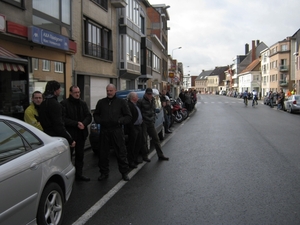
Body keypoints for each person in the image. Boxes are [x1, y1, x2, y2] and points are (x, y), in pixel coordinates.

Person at [94, 84, 132, 181]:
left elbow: (128, 116)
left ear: (115, 90)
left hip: (117, 130)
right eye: (107, 90)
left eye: (111, 90)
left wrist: (120, 121)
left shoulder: (121, 102)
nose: (109, 92)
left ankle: (124, 173)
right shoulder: (101, 103)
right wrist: (100, 121)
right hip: (104, 130)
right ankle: (104, 173)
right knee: (103, 153)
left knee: (121, 152)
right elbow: (96, 115)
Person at [61, 85, 92, 181]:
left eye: (78, 92)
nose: (77, 94)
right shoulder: (64, 104)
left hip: (81, 134)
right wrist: (76, 124)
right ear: (70, 93)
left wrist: (84, 123)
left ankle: (79, 174)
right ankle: (67, 177)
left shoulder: (82, 103)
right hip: (70, 135)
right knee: (68, 157)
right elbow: (63, 119)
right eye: (75, 92)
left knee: (80, 155)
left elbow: (88, 116)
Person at [39, 80, 76, 148]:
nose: (60, 90)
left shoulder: (43, 104)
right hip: (56, 139)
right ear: (55, 90)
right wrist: (70, 139)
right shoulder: (55, 105)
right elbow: (58, 125)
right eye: (59, 88)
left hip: (46, 137)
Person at [137, 88, 169, 161]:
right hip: (144, 122)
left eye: (150, 94)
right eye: (148, 94)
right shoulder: (141, 101)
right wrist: (141, 120)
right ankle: (145, 156)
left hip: (151, 122)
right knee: (144, 140)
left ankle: (160, 155)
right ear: (145, 94)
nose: (149, 95)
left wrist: (154, 118)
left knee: (156, 139)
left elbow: (154, 110)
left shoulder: (153, 100)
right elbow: (138, 112)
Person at [126, 92, 146, 168]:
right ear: (133, 98)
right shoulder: (129, 105)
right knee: (132, 145)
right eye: (136, 96)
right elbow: (130, 118)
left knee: (138, 144)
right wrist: (131, 127)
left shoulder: (135, 105)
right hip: (133, 127)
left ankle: (135, 159)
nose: (138, 98)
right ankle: (131, 161)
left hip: (138, 126)